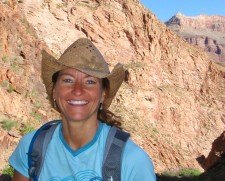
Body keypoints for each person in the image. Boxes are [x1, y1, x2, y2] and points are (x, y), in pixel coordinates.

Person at [9, 38, 156, 180]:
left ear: (103, 95)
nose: (78, 90)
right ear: (54, 90)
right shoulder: (32, 146)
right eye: (68, 80)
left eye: (90, 81)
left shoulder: (132, 161)